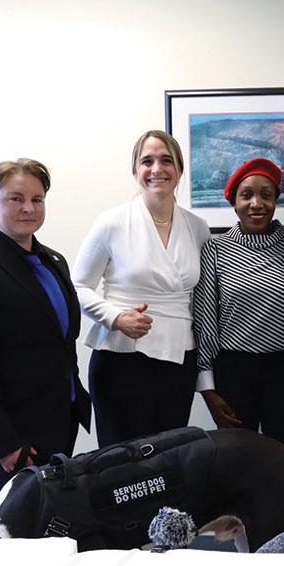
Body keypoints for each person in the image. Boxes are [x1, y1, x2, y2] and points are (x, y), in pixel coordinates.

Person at [0, 159, 91, 492]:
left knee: (55, 514)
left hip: (59, 419)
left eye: (37, 199)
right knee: (22, 522)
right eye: (16, 199)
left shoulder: (54, 261)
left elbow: (61, 342)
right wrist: (3, 442)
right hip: (14, 434)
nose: (29, 208)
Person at [72, 130, 211, 446]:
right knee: (120, 462)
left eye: (166, 160)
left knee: (168, 460)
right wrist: (115, 317)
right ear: (135, 170)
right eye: (147, 161)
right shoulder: (112, 222)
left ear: (179, 169)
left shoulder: (198, 227)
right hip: (121, 359)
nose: (156, 169)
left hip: (179, 360)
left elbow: (200, 299)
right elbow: (77, 286)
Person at [191, 158, 284, 453]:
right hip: (233, 370)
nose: (257, 204)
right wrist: (207, 389)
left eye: (266, 195)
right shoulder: (215, 249)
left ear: (276, 200)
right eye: (247, 195)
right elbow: (205, 320)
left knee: (282, 459)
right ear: (234, 202)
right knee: (236, 460)